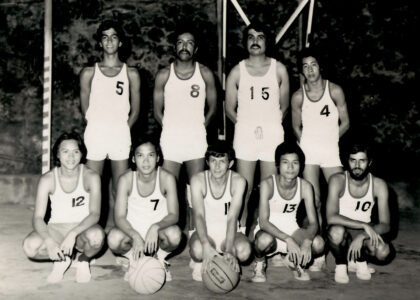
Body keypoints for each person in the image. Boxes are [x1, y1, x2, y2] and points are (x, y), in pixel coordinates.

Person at [225, 21, 289, 234]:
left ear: (267, 42)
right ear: (245, 43)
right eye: (250, 37)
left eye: (260, 37)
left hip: (272, 135)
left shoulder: (279, 69)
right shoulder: (237, 71)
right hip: (245, 135)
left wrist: (269, 126)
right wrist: (247, 126)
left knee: (270, 188)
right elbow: (229, 109)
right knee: (244, 187)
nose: (255, 41)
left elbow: (285, 106)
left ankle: (269, 233)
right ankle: (241, 230)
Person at [291, 47, 350, 270]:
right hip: (310, 154)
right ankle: (320, 252)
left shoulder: (334, 90)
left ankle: (346, 253)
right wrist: (305, 145)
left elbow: (346, 122)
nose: (310, 70)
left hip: (331, 151)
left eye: (313, 64)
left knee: (340, 200)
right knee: (313, 202)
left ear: (320, 66)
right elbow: (296, 126)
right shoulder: (298, 96)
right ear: (302, 71)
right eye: (305, 66)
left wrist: (331, 139)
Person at [22, 132, 105, 283]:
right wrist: (48, 240)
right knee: (30, 247)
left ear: (82, 154)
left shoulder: (91, 176)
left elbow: (95, 214)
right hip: (56, 228)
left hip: (82, 229)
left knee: (97, 237)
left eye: (76, 151)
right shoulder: (47, 179)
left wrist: (73, 234)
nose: (71, 157)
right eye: (65, 152)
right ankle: (63, 260)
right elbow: (38, 218)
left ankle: (83, 260)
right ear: (58, 155)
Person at [80, 19, 141, 221]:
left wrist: (123, 129)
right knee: (91, 186)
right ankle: (88, 232)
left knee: (120, 188)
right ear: (100, 42)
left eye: (114, 37)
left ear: (120, 42)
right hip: (96, 134)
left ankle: (121, 233)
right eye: (105, 38)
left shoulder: (130, 73)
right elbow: (85, 108)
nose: (109, 42)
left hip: (120, 136)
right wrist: (97, 125)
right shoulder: (89, 73)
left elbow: (135, 109)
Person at [107, 137, 182, 282]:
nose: (146, 161)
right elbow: (119, 217)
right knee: (113, 239)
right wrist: (135, 235)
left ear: (158, 158)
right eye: (140, 155)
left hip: (158, 234)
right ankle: (133, 260)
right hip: (133, 232)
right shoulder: (126, 179)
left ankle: (159, 259)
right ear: (134, 159)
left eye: (151, 155)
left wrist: (155, 227)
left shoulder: (167, 178)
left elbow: (174, 214)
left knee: (175, 235)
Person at [251, 142, 324, 282]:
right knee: (263, 241)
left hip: (292, 231)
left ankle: (292, 260)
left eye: (295, 163)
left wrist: (307, 241)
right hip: (269, 232)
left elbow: (314, 223)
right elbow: (264, 222)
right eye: (285, 162)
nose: (290, 167)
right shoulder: (268, 184)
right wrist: (288, 239)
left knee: (318, 243)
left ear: (300, 165)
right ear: (278, 164)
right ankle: (260, 263)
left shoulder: (306, 186)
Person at [326, 142, 391, 284]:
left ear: (369, 162)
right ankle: (341, 264)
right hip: (341, 229)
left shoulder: (379, 185)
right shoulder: (337, 180)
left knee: (383, 251)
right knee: (336, 232)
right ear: (347, 161)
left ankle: (359, 260)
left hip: (362, 231)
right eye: (352, 160)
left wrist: (362, 235)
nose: (357, 165)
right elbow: (331, 217)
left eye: (362, 161)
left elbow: (386, 224)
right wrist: (363, 225)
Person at [189, 141, 251, 281]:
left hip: (229, 232)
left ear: (230, 164)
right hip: (205, 231)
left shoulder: (239, 181)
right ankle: (199, 260)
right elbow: (198, 215)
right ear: (207, 162)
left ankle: (222, 254)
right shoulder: (197, 180)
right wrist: (205, 244)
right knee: (198, 250)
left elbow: (232, 217)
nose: (217, 166)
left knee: (244, 251)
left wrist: (229, 250)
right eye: (213, 161)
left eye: (222, 161)